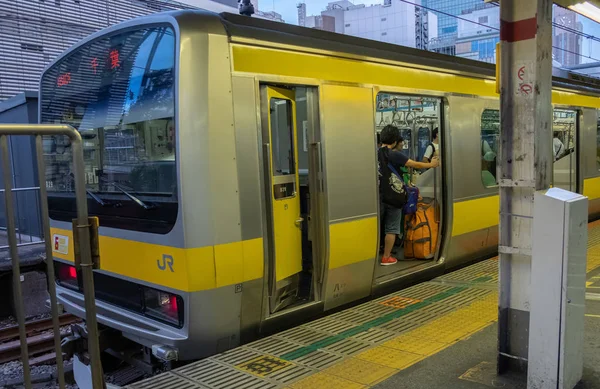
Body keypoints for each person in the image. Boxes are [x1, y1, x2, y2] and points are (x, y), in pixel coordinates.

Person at [378, 125, 439, 266]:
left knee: (378, 226)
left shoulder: (376, 153)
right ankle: (386, 257)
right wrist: (433, 164)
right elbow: (415, 164)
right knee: (392, 228)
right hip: (393, 197)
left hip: (379, 196)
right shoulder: (393, 153)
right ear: (394, 140)